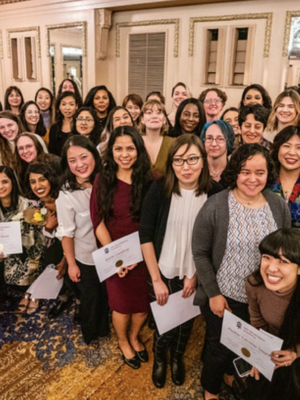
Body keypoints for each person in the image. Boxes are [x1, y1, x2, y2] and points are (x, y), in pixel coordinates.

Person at [192, 144, 291, 400]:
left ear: (268, 174)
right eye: (245, 171)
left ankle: (229, 374)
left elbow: (286, 251)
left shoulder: (277, 205)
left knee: (246, 348)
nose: (252, 179)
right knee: (219, 348)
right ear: (235, 172)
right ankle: (210, 391)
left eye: (260, 172)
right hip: (224, 297)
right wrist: (213, 293)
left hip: (263, 299)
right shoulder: (215, 205)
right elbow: (200, 252)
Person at [140, 134, 222, 389]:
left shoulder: (215, 193)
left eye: (192, 159)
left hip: (196, 272)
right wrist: (156, 280)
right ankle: (160, 358)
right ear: (171, 163)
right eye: (179, 160)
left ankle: (177, 358)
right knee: (165, 324)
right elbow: (145, 237)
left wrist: (195, 275)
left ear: (203, 160)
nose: (186, 167)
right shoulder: (160, 189)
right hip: (162, 271)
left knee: (185, 322)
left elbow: (216, 242)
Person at [90, 126, 152, 369]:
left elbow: (157, 222)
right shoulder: (102, 180)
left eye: (130, 148)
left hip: (145, 251)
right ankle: (123, 341)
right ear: (111, 151)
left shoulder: (151, 179)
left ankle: (135, 337)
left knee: (142, 305)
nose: (124, 154)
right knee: (121, 305)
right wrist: (118, 257)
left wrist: (139, 255)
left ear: (139, 150)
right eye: (118, 148)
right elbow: (98, 222)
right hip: (114, 253)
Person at [56, 135, 109, 344]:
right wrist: (71, 264)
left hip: (110, 253)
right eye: (72, 160)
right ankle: (91, 335)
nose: (79, 164)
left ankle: (104, 328)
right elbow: (66, 233)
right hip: (86, 258)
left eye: (83, 157)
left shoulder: (104, 181)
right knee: (90, 299)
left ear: (94, 156)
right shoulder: (67, 194)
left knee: (106, 295)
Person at [245, 229, 300, 400]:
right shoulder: (254, 285)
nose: (272, 267)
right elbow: (258, 323)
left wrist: (296, 353)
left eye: (283, 261)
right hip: (274, 348)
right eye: (266, 257)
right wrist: (260, 355)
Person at [27, 163, 71, 319]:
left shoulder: (64, 199)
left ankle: (78, 300)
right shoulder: (34, 206)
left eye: (42, 180)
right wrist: (49, 227)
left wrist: (65, 261)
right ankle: (62, 296)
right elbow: (42, 235)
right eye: (33, 182)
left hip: (75, 244)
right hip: (54, 243)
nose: (37, 186)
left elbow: (76, 233)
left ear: (50, 180)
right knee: (47, 255)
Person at [0, 166, 45, 314]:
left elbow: (39, 231)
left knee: (34, 252)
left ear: (12, 182)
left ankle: (34, 292)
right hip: (4, 250)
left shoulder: (27, 204)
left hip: (30, 246)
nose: (1, 186)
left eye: (5, 182)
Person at [270, 126, 300, 228]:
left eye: (299, 147)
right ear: (278, 148)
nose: (292, 152)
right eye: (286, 146)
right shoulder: (264, 180)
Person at [139, 99, 173, 175]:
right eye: (149, 113)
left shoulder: (173, 143)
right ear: (142, 119)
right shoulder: (135, 142)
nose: (154, 116)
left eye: (159, 113)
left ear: (164, 119)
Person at [49, 91, 78, 156]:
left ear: (76, 106)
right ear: (59, 107)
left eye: (71, 104)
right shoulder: (54, 128)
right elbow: (51, 153)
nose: (67, 108)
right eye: (64, 104)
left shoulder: (80, 126)